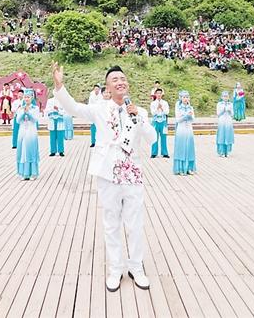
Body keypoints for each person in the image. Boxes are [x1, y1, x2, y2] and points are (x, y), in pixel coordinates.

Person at [52, 62, 156, 292]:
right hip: (107, 173)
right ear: (108, 87)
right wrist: (59, 86)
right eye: (115, 79)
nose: (120, 82)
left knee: (135, 223)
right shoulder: (99, 108)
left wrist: (138, 118)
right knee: (111, 223)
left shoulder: (140, 111)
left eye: (123, 78)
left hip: (132, 174)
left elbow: (153, 138)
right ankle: (115, 269)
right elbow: (74, 108)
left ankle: (136, 267)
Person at [16, 88, 41, 180]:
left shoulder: (35, 108)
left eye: (28, 97)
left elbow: (35, 120)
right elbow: (18, 120)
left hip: (31, 131)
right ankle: (23, 173)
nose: (26, 99)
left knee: (31, 151)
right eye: (25, 97)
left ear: (32, 98)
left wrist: (28, 113)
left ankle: (33, 173)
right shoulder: (20, 108)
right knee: (22, 151)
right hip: (22, 131)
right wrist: (23, 113)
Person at [173, 91, 196, 175]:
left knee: (189, 147)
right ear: (181, 98)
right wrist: (186, 116)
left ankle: (189, 168)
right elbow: (178, 120)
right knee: (181, 148)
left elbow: (193, 119)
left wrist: (190, 116)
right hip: (181, 129)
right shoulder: (178, 108)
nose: (185, 99)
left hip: (189, 129)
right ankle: (181, 169)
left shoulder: (191, 108)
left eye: (187, 97)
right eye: (184, 97)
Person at [149, 88, 170, 158]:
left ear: (162, 94)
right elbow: (152, 113)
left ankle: (164, 153)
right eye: (157, 93)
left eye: (160, 93)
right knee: (154, 137)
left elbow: (167, 112)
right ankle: (154, 153)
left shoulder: (165, 103)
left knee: (164, 137)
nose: (159, 94)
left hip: (163, 121)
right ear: (155, 94)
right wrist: (157, 108)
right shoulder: (153, 103)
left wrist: (162, 108)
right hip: (155, 121)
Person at [216, 91, 235, 157]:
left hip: (228, 121)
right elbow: (218, 114)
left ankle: (227, 152)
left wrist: (229, 111)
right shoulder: (219, 104)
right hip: (222, 121)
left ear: (228, 97)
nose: (225, 98)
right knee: (221, 135)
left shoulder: (230, 104)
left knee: (228, 135)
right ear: (221, 97)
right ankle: (221, 152)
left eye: (226, 96)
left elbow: (232, 114)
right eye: (224, 96)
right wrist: (223, 110)